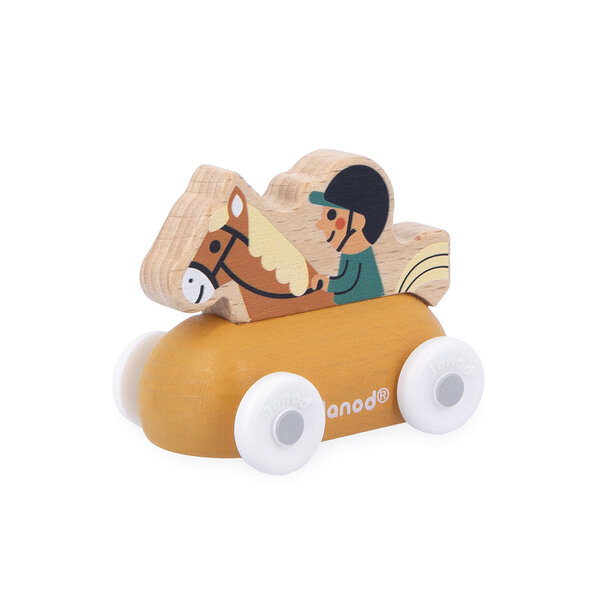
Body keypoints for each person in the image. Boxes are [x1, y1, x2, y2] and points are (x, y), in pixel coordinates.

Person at [309, 165, 388, 305]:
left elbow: (347, 282)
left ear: (357, 221)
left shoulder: (359, 254)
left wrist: (327, 283)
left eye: (331, 215)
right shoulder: (350, 251)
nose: (319, 225)